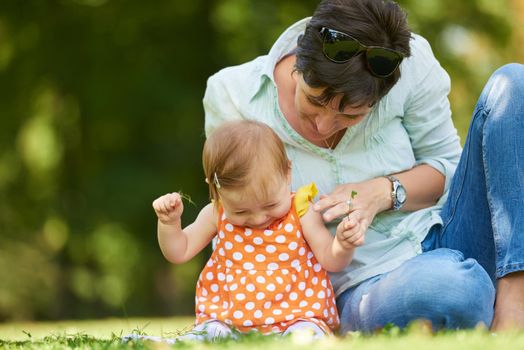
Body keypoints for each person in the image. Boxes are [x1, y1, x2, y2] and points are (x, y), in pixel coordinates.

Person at [202, 0, 524, 333]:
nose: (325, 126)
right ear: (299, 61)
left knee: (514, 83)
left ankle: (514, 302)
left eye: (351, 115)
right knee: (455, 291)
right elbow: (232, 220)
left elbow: (447, 168)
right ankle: (470, 293)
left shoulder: (413, 67)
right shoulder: (233, 96)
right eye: (314, 101)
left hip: (444, 232)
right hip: (363, 282)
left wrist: (383, 192)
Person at [152, 120, 364, 341]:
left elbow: (331, 259)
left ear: (287, 173)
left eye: (270, 205)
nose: (258, 218)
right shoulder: (217, 213)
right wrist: (169, 224)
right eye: (241, 211)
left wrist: (342, 244)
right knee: (208, 335)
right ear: (216, 191)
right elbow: (179, 252)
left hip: (297, 316)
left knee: (306, 337)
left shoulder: (301, 211)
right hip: (228, 320)